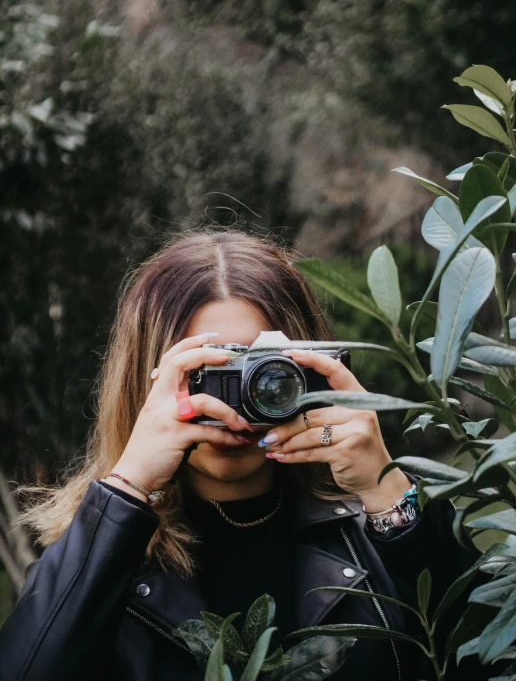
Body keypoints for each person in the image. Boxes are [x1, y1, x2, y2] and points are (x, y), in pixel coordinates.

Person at [0, 230, 486, 681]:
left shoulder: (376, 523)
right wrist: (127, 488)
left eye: (264, 373)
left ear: (314, 368)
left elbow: (501, 656)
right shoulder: (98, 555)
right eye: (207, 374)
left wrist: (389, 492)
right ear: (144, 384)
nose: (234, 405)